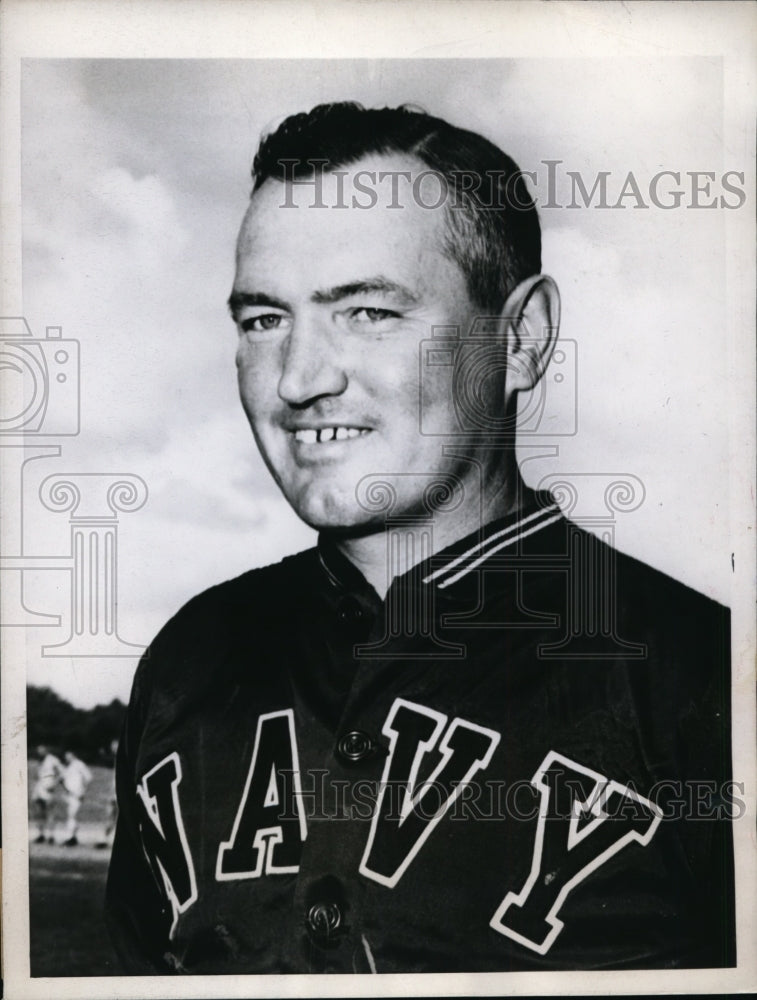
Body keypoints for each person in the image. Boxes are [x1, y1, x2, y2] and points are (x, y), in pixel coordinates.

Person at [106, 103, 735, 974]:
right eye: (263, 320)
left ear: (521, 339)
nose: (298, 378)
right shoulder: (190, 659)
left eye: (367, 312)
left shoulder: (700, 677)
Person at [31, 745, 64, 844]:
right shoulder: (39, 761)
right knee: (39, 813)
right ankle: (41, 835)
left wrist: (54, 784)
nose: (40, 752)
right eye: (38, 751)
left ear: (47, 750)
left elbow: (63, 772)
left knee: (50, 812)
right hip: (39, 789)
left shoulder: (53, 760)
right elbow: (38, 775)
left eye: (42, 750)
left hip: (48, 789)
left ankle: (51, 836)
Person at [60, 749, 93, 846]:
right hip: (69, 795)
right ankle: (73, 837)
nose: (66, 757)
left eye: (68, 755)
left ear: (73, 754)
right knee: (71, 815)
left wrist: (82, 791)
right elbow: (63, 779)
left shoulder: (79, 764)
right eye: (66, 755)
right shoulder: (68, 766)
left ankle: (70, 838)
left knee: (72, 815)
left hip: (77, 794)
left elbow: (88, 777)